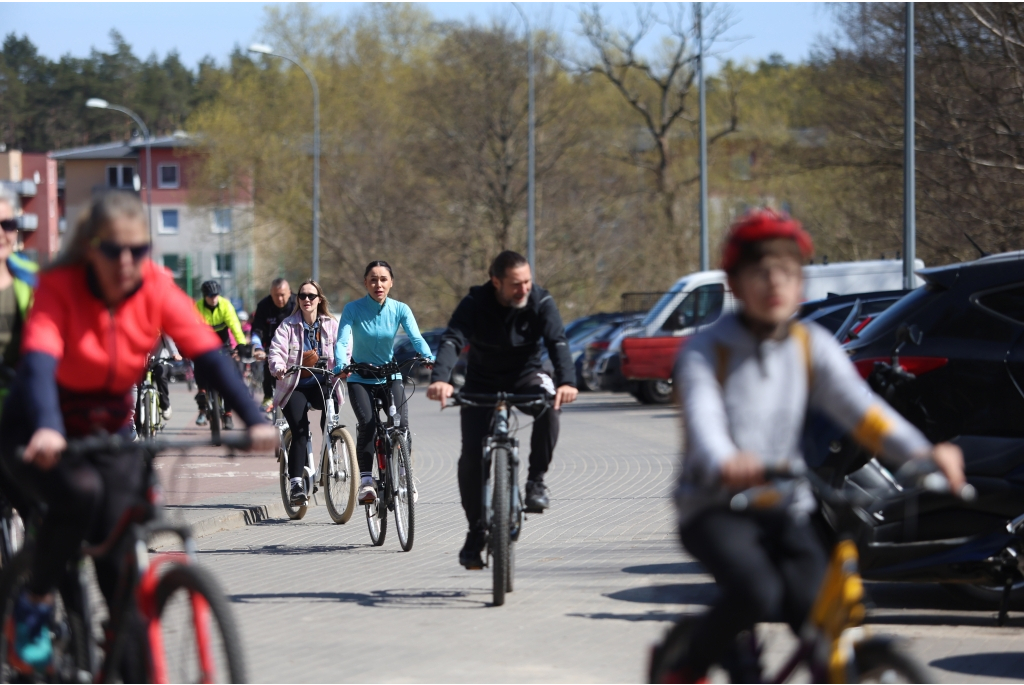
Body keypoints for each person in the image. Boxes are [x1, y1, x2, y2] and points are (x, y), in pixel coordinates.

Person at [670, 208, 966, 682]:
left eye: (786, 271)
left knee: (821, 611)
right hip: (714, 506)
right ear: (735, 282)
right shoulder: (707, 351)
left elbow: (864, 413)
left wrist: (924, 454)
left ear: (800, 283)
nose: (774, 283)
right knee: (757, 591)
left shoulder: (811, 345)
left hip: (787, 504)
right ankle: (684, 670)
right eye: (759, 271)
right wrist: (726, 460)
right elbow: (703, 421)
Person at [0, 190, 277, 672]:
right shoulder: (59, 285)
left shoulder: (154, 284)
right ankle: (35, 602)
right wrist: (46, 428)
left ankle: (122, 649)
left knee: (122, 542)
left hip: (108, 426)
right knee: (80, 493)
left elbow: (207, 352)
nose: (127, 261)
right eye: (113, 250)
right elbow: (41, 363)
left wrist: (254, 419)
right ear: (90, 248)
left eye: (138, 250)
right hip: (38, 425)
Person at [427, 251, 578, 569]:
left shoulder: (541, 301)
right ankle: (475, 531)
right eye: (515, 284)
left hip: (527, 375)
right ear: (496, 282)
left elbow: (557, 342)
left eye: (527, 282)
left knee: (550, 405)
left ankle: (536, 480)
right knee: (470, 457)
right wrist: (441, 379)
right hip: (481, 380)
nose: (524, 289)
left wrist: (567, 382)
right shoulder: (476, 302)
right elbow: (454, 338)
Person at [334, 261, 433, 505]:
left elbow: (416, 337)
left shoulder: (400, 309)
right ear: (366, 282)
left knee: (402, 425)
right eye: (373, 279)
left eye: (383, 279)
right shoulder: (353, 309)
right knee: (367, 423)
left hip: (390, 376)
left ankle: (403, 474)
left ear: (391, 282)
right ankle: (367, 481)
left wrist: (428, 356)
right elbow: (342, 340)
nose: (378, 284)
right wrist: (339, 365)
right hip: (360, 377)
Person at [268, 279, 343, 504]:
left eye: (311, 296)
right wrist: (278, 367)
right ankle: (296, 486)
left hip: (325, 383)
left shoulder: (331, 324)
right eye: (302, 296)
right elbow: (276, 350)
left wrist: (345, 364)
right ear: (298, 299)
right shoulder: (288, 326)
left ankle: (330, 460)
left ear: (320, 299)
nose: (307, 300)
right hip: (295, 386)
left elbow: (344, 348)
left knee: (330, 424)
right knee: (300, 431)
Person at [0, 188, 38, 515]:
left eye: (8, 223)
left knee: (39, 509)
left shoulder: (34, 282)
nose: (2, 232)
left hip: (24, 416)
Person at [194, 279, 246, 428]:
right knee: (199, 362)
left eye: (216, 295)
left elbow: (235, 326)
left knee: (228, 376)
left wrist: (241, 343)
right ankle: (202, 391)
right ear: (204, 296)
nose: (214, 298)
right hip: (204, 341)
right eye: (210, 296)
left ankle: (228, 414)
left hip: (223, 342)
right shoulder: (197, 308)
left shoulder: (225, 306)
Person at [250, 278, 296, 412]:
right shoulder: (263, 305)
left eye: (282, 295)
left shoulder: (297, 304)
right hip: (270, 345)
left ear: (290, 293)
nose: (280, 299)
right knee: (269, 365)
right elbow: (257, 329)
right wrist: (257, 348)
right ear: (271, 293)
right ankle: (268, 396)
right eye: (276, 295)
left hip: (293, 346)